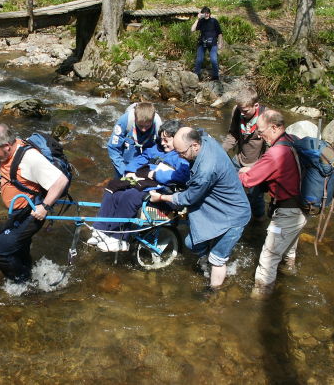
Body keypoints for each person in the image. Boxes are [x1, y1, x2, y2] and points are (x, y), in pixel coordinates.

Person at [149, 127, 250, 289]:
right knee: (191, 243)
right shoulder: (205, 139)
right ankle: (206, 265)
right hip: (217, 205)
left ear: (195, 146)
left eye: (181, 153)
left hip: (233, 215)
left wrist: (161, 197)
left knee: (217, 258)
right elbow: (198, 130)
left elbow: (187, 198)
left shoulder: (206, 169)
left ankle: (213, 293)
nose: (179, 156)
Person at [0, 124, 69, 283]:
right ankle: (29, 271)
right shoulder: (8, 151)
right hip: (17, 211)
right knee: (19, 249)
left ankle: (23, 284)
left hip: (31, 212)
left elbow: (61, 180)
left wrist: (44, 207)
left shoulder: (30, 158)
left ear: (7, 146)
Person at [88, 120, 189, 252]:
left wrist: (155, 174)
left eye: (166, 140)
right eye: (161, 139)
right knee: (114, 186)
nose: (163, 143)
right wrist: (130, 172)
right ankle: (101, 229)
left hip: (163, 191)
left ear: (177, 139)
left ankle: (120, 238)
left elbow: (181, 176)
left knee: (130, 196)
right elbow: (140, 159)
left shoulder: (182, 155)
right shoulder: (156, 148)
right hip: (145, 181)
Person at [238, 110, 307, 298]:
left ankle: (260, 299)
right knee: (288, 254)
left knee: (268, 258)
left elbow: (248, 181)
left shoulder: (276, 153)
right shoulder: (290, 140)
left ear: (275, 127)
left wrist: (239, 173)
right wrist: (253, 167)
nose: (259, 135)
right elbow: (271, 166)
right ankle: (289, 277)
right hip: (300, 208)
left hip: (287, 213)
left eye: (261, 131)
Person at [222, 87, 267, 220]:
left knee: (256, 196)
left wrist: (256, 168)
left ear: (256, 105)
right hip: (239, 159)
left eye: (245, 111)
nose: (242, 113)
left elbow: (271, 150)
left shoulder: (266, 117)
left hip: (257, 163)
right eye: (240, 109)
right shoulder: (237, 111)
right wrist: (220, 151)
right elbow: (233, 135)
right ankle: (236, 217)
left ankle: (259, 220)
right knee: (231, 189)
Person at [107, 102, 162, 178]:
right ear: (135, 118)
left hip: (146, 164)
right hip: (125, 161)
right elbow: (113, 148)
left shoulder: (158, 125)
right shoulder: (125, 121)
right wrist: (124, 172)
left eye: (147, 126)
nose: (143, 129)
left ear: (152, 120)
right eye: (140, 125)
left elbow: (161, 148)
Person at [191, 6, 223, 81]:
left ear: (210, 14)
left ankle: (215, 76)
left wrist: (220, 43)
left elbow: (220, 33)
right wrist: (198, 19)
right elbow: (192, 29)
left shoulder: (214, 21)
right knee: (199, 60)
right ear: (202, 14)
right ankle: (196, 75)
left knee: (214, 60)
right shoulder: (201, 21)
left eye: (208, 13)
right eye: (205, 13)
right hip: (202, 43)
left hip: (213, 44)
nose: (206, 14)